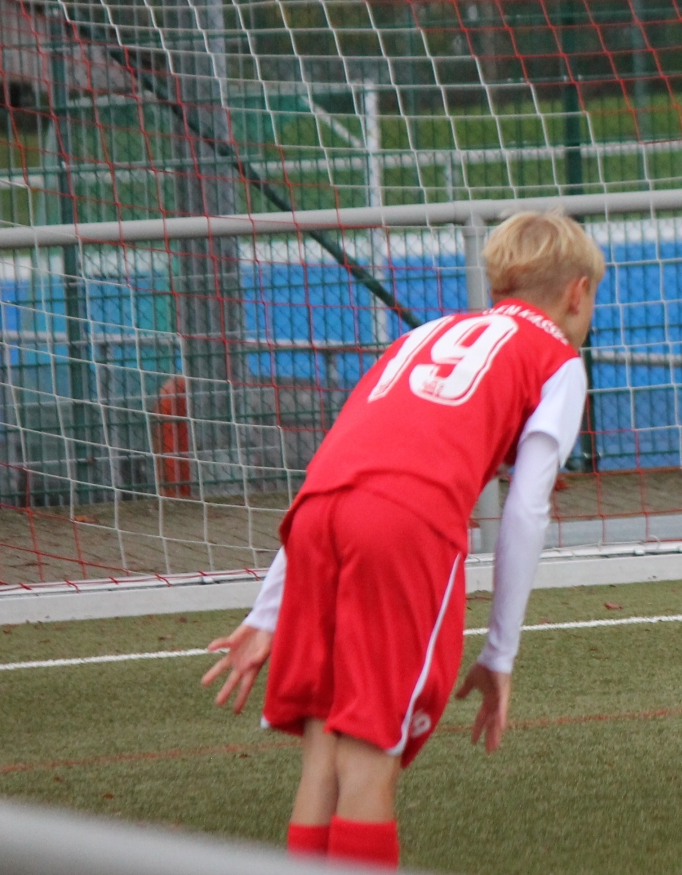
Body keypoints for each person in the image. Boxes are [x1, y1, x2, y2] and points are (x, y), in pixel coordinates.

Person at [200, 210, 601, 866]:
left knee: (323, 757)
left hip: (317, 516)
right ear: (577, 293)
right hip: (404, 524)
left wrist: (268, 610)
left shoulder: (423, 335)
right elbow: (527, 509)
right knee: (369, 756)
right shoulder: (557, 357)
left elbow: (339, 467)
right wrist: (499, 653)